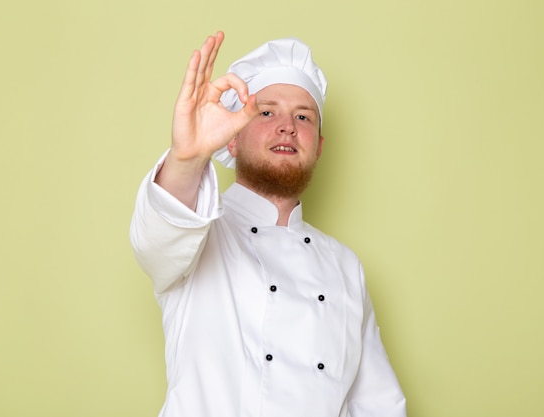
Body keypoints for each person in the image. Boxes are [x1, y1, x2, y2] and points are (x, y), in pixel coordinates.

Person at [130, 31, 406, 417]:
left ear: (318, 146)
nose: (287, 126)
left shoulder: (345, 266)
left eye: (303, 116)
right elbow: (157, 237)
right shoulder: (198, 233)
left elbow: (378, 404)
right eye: (266, 111)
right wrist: (187, 158)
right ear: (231, 139)